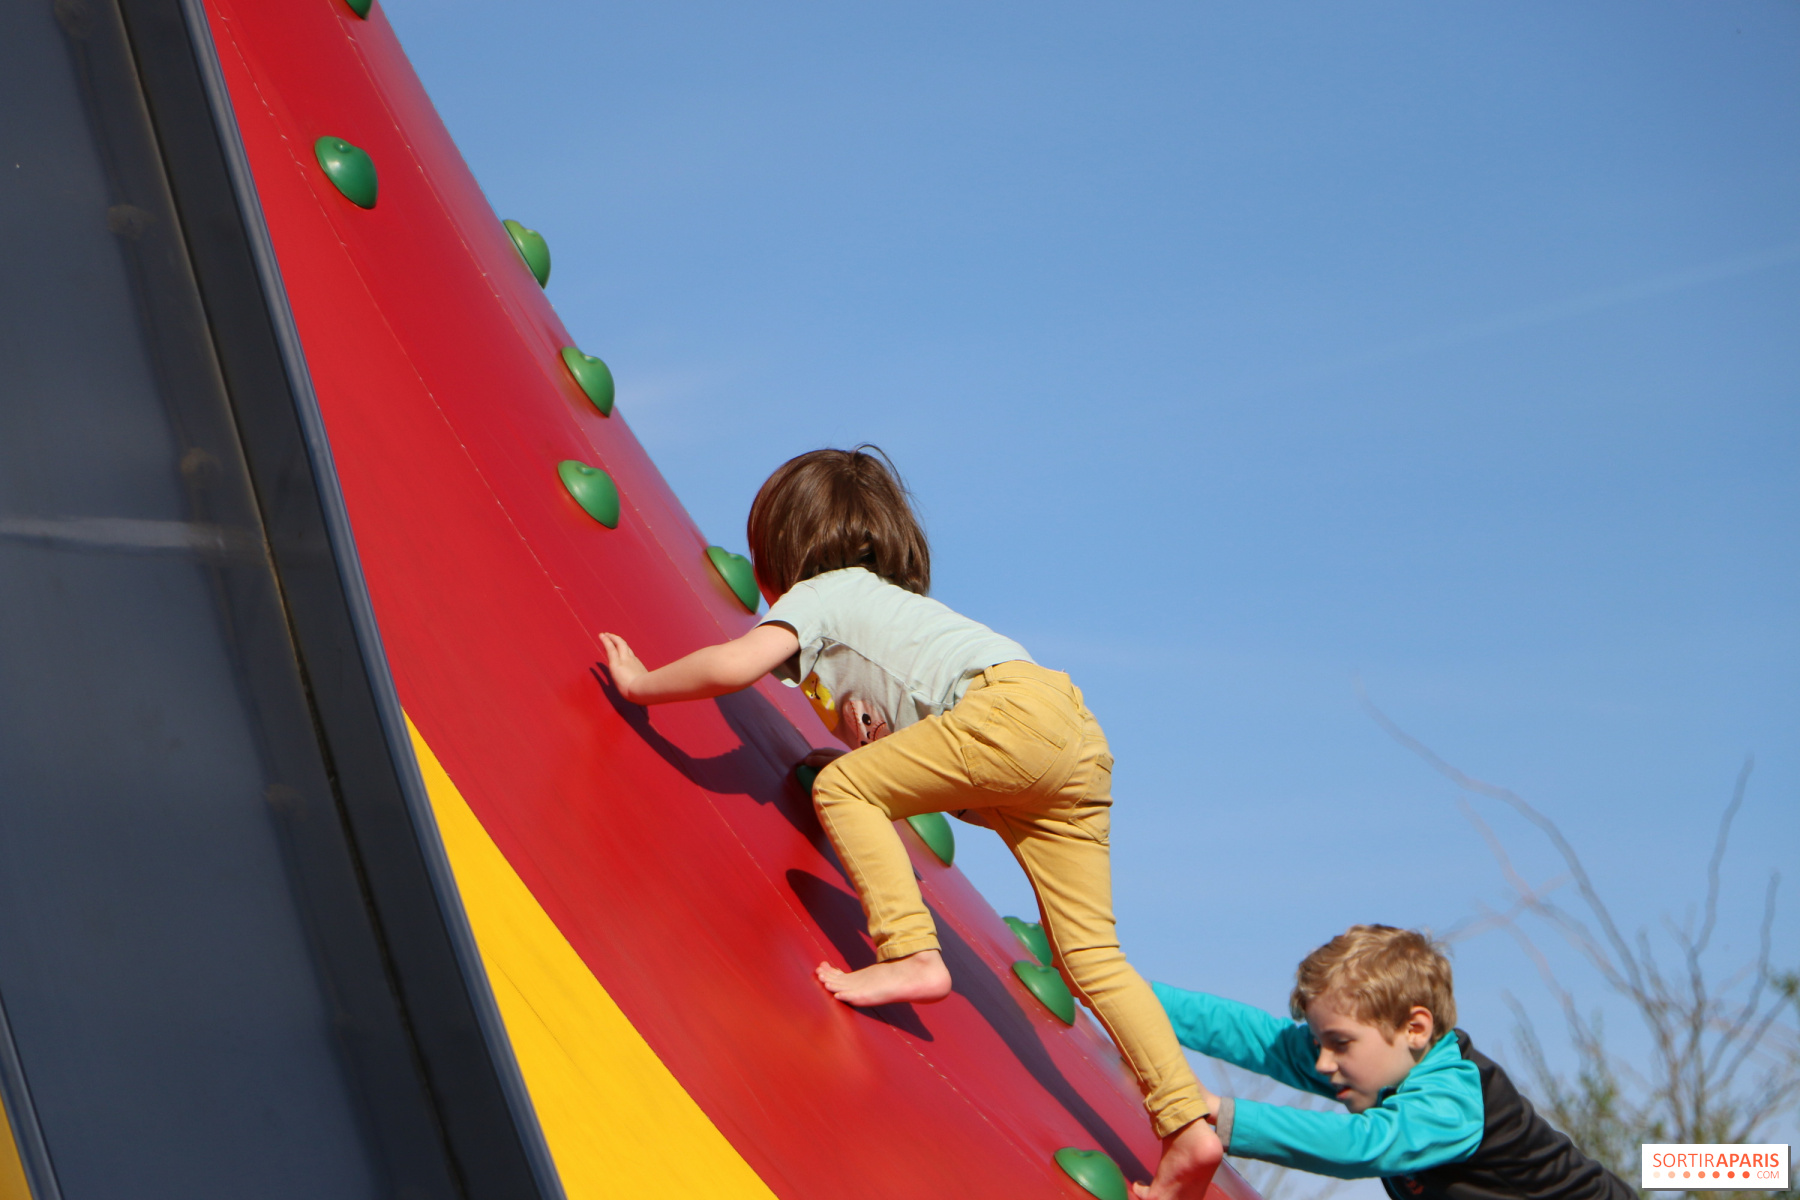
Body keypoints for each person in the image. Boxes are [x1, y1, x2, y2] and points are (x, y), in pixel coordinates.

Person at [600, 446, 1220, 1200]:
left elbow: (735, 667)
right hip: (1075, 739)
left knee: (846, 790)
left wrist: (644, 686)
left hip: (1009, 716)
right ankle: (1187, 1123)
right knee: (1092, 958)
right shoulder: (900, 616)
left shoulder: (822, 595)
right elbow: (922, 741)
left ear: (781, 555)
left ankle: (912, 953)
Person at [1154, 925, 1635, 1200]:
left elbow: (1364, 1146)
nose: (1322, 1063)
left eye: (1339, 1044)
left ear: (1415, 1029)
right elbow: (1256, 1037)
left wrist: (1224, 1115)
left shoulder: (1451, 1098)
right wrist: (1121, 993)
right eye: (1320, 1042)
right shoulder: (1379, 1066)